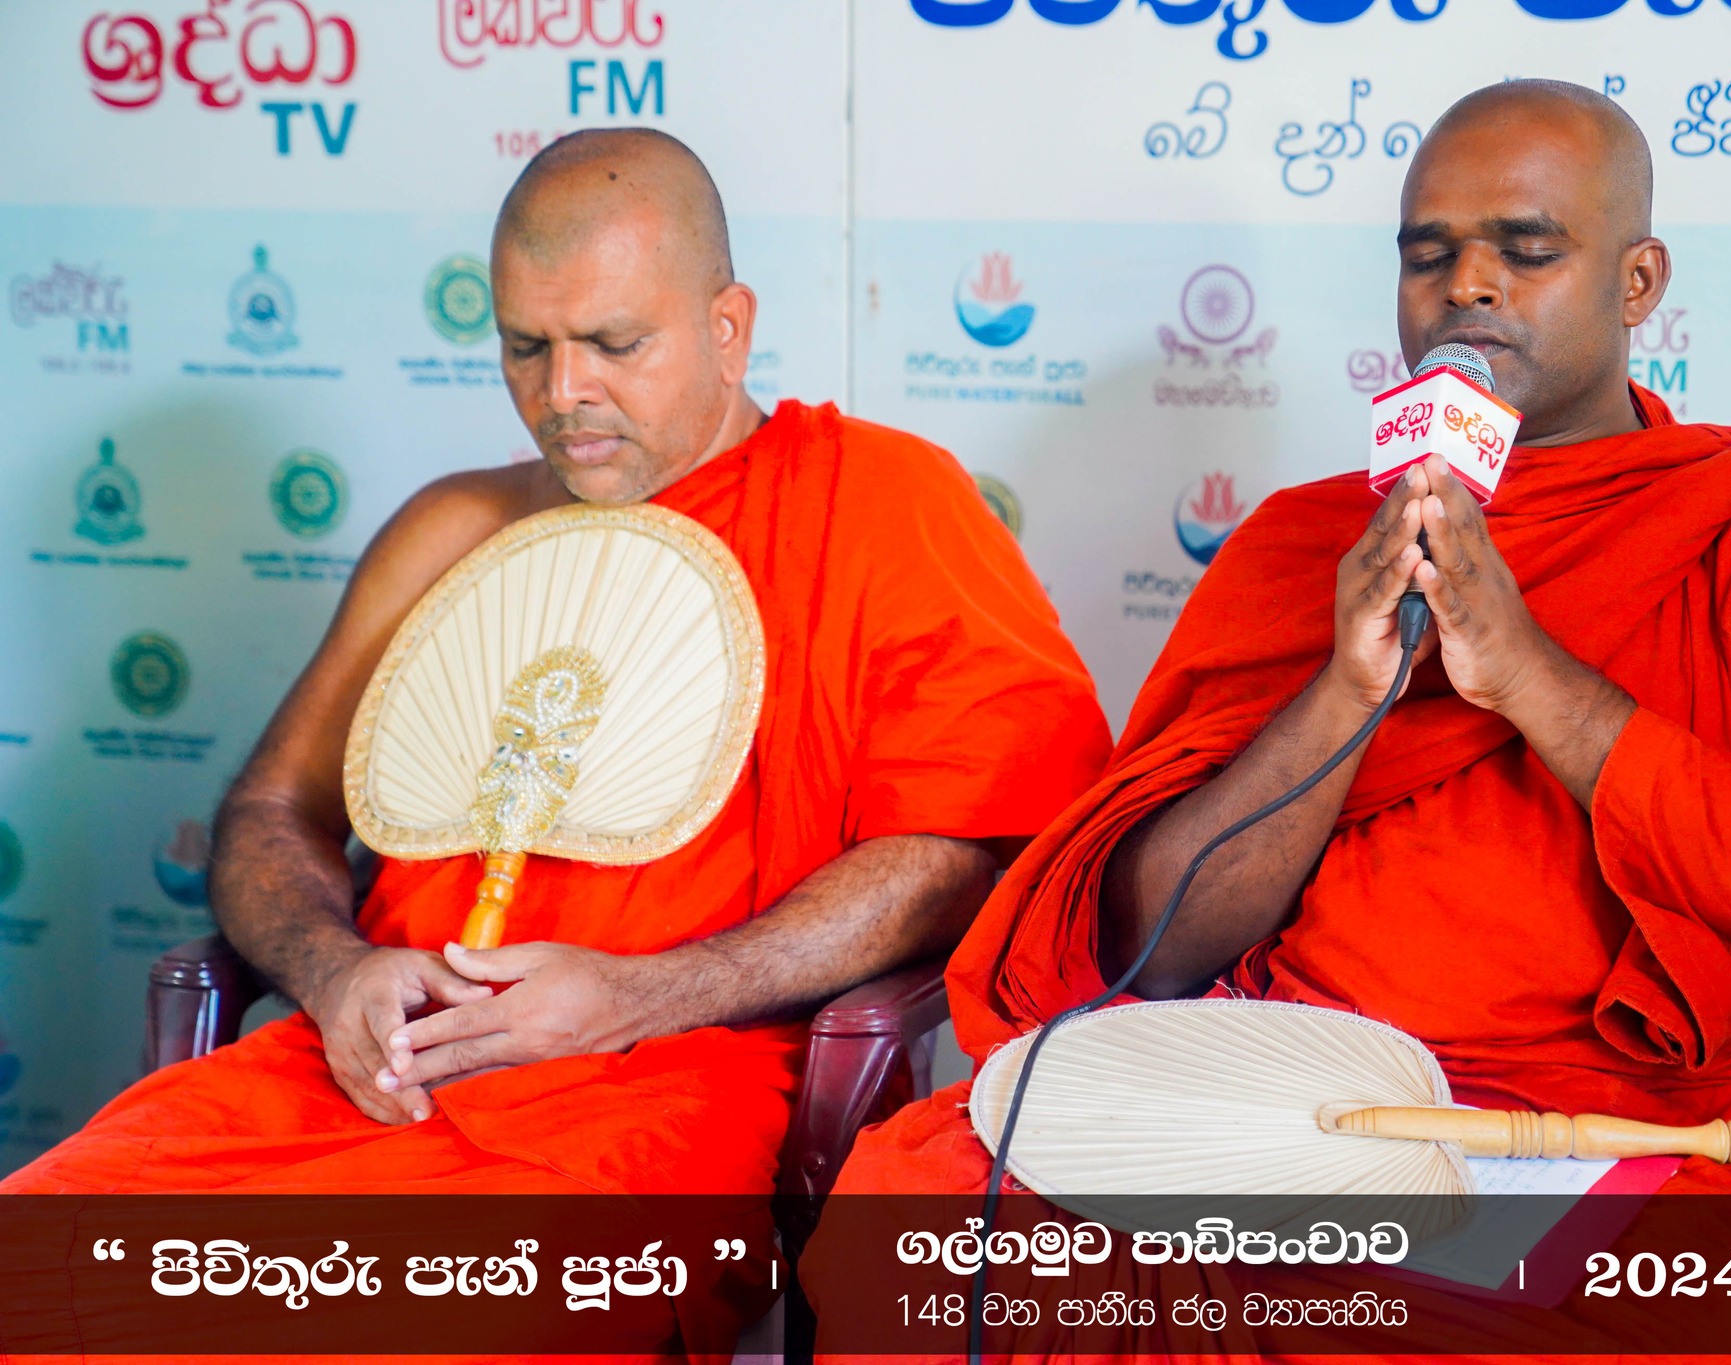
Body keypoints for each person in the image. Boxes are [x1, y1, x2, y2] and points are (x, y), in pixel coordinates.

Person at [804, 80, 1731, 1358]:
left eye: (1525, 251)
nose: (1466, 286)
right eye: (1427, 256)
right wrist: (1346, 687)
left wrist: (1526, 674)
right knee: (908, 1235)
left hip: (1608, 1130)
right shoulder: (1305, 544)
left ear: (1637, 282)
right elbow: (1157, 950)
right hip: (1280, 1095)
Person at [1, 128, 1111, 1352]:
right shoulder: (455, 528)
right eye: (526, 346)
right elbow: (274, 810)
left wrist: (645, 993)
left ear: (727, 326)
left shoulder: (884, 501)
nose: (562, 390)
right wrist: (335, 973)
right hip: (365, 1074)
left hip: (669, 1087)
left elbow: (960, 851)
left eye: (613, 344)